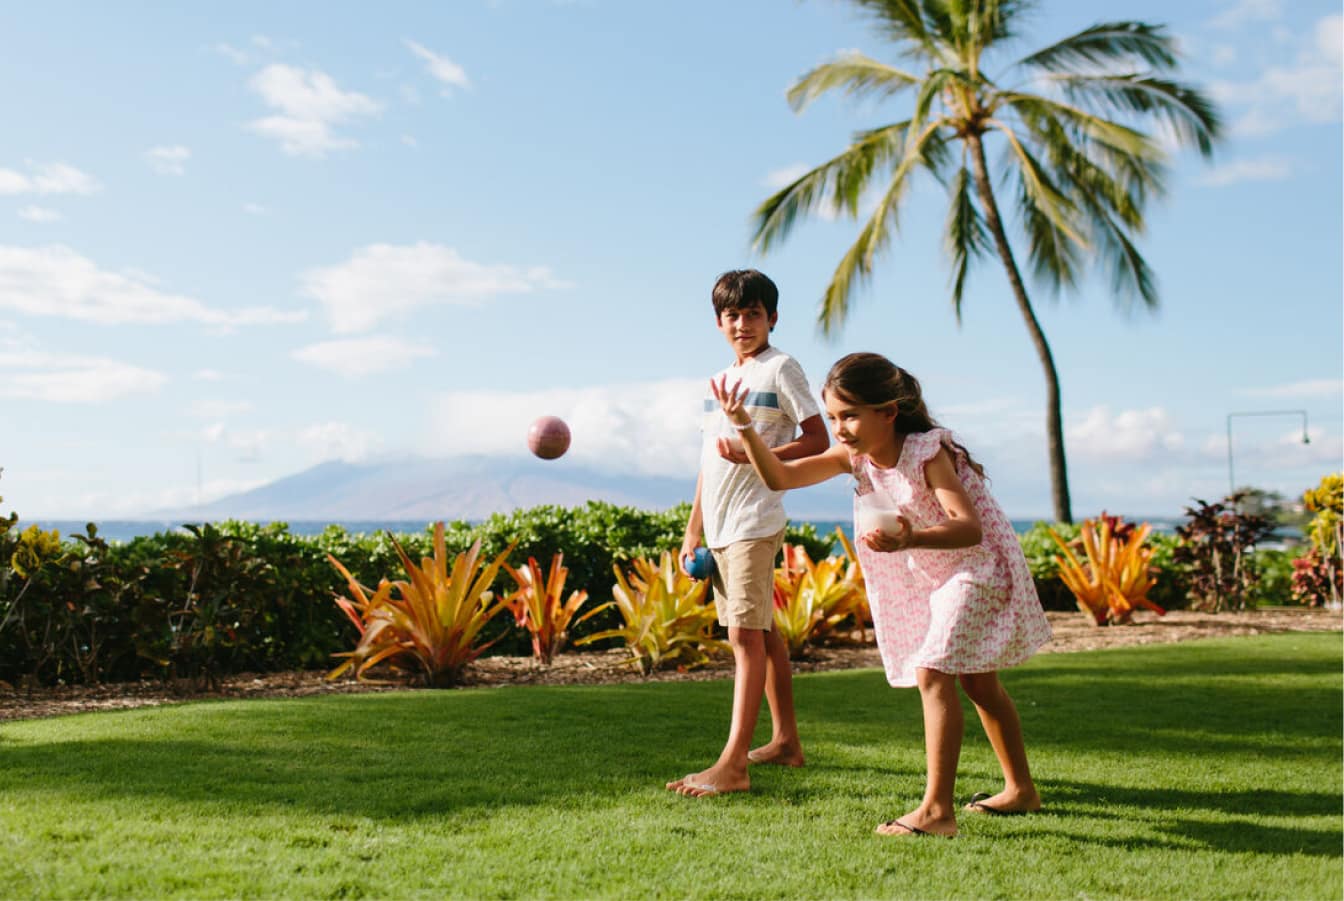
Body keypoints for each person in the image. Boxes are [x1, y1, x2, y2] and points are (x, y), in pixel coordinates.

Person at [711, 352, 1052, 836]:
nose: (840, 428)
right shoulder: (854, 458)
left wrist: (912, 537)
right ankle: (1021, 791)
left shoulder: (926, 453)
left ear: (888, 412)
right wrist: (745, 426)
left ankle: (937, 812)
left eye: (849, 416)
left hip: (978, 568)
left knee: (932, 670)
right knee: (979, 685)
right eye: (833, 417)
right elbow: (780, 477)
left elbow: (969, 528)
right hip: (937, 575)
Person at [667, 269, 830, 799]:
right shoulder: (717, 382)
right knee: (763, 633)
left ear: (772, 318)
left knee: (743, 637)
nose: (743, 324)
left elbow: (818, 439)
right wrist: (693, 530)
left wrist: (754, 452)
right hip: (719, 528)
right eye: (732, 315)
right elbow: (707, 464)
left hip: (754, 522)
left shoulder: (782, 367)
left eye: (753, 314)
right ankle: (785, 742)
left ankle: (733, 764)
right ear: (718, 323)